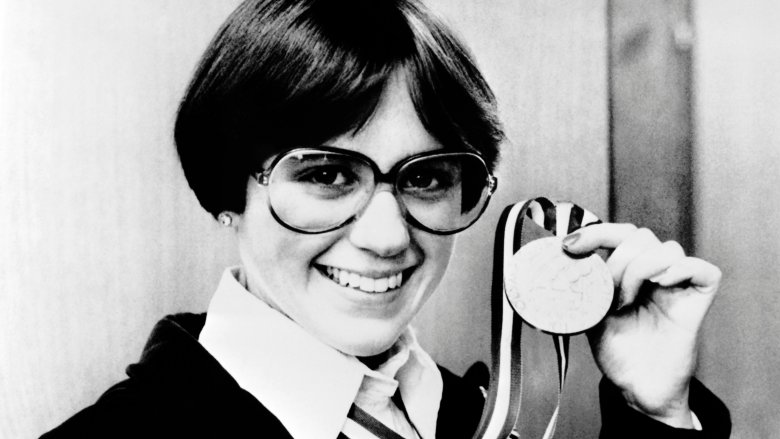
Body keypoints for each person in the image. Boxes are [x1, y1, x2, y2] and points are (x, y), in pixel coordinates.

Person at [41, 0, 730, 437]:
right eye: (325, 173)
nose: (388, 235)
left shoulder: (477, 416)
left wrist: (657, 413)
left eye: (426, 176)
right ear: (229, 189)